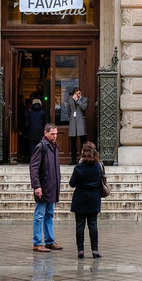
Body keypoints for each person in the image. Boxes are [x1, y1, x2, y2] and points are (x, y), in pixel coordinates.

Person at [29, 123, 63, 252]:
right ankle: (37, 243)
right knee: (39, 215)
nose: (55, 136)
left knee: (49, 214)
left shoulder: (54, 146)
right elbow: (34, 167)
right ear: (46, 133)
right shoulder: (41, 146)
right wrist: (36, 186)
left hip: (52, 187)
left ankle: (49, 241)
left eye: (56, 134)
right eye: (52, 134)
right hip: (43, 187)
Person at [69, 141, 103, 259]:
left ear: (83, 152)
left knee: (80, 225)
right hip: (94, 198)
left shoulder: (78, 168)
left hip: (80, 198)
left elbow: (72, 184)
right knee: (93, 224)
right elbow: (100, 182)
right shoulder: (98, 166)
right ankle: (95, 250)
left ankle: (80, 250)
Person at [68, 87, 88, 164]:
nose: (78, 95)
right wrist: (71, 118)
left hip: (81, 122)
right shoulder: (70, 100)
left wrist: (77, 100)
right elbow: (69, 111)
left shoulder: (84, 99)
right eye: (77, 94)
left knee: (83, 142)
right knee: (73, 143)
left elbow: (84, 107)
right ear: (74, 94)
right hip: (73, 122)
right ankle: (73, 160)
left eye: (79, 93)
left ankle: (84, 158)